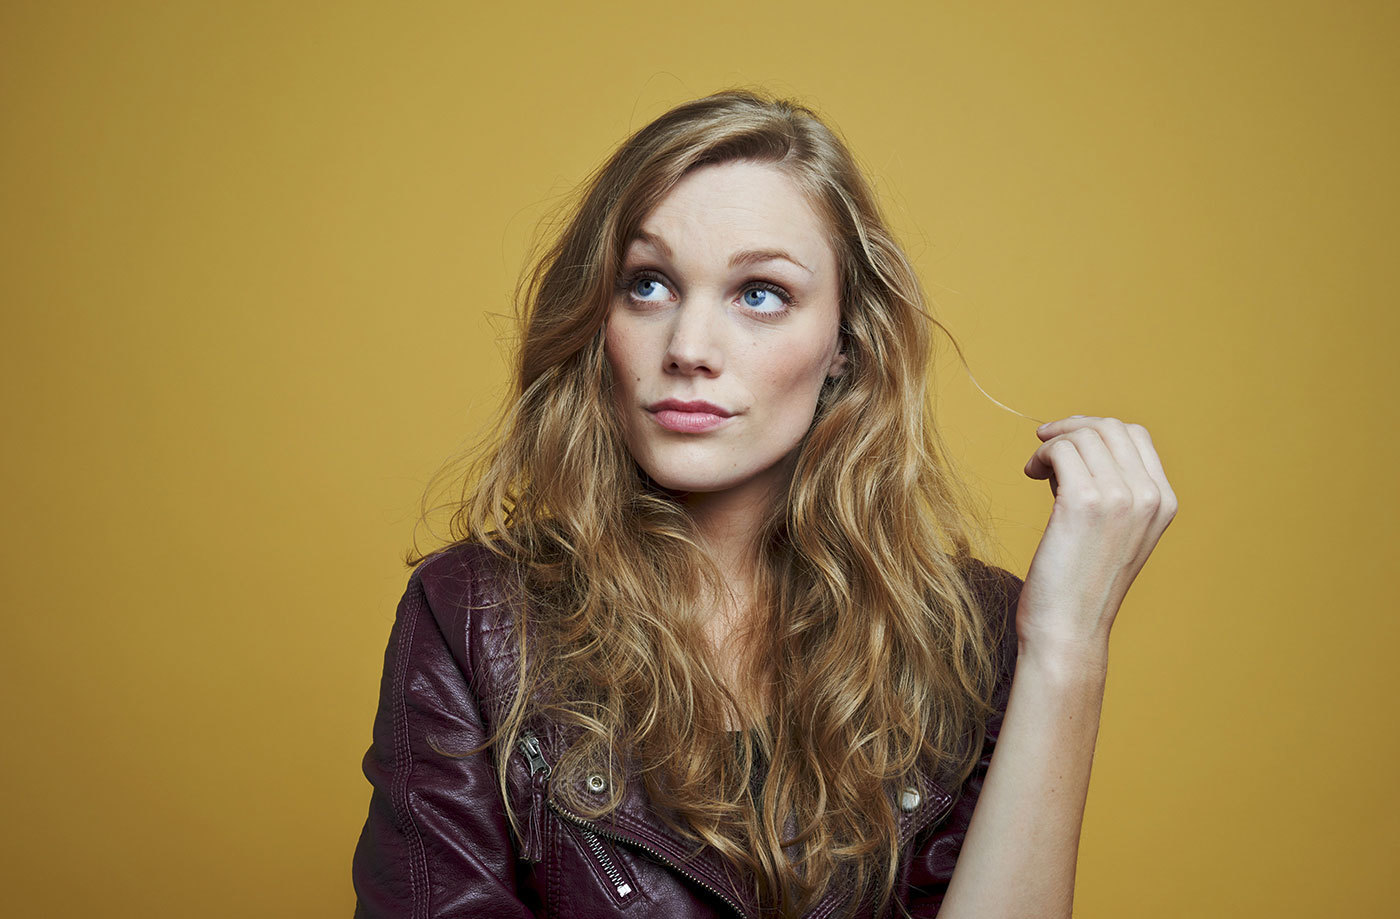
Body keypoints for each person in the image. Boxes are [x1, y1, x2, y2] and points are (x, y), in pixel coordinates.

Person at [351, 89, 1177, 919]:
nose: (688, 348)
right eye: (648, 285)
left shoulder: (976, 638)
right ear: (599, 318)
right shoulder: (474, 620)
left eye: (759, 293)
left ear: (845, 344)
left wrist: (1066, 647)